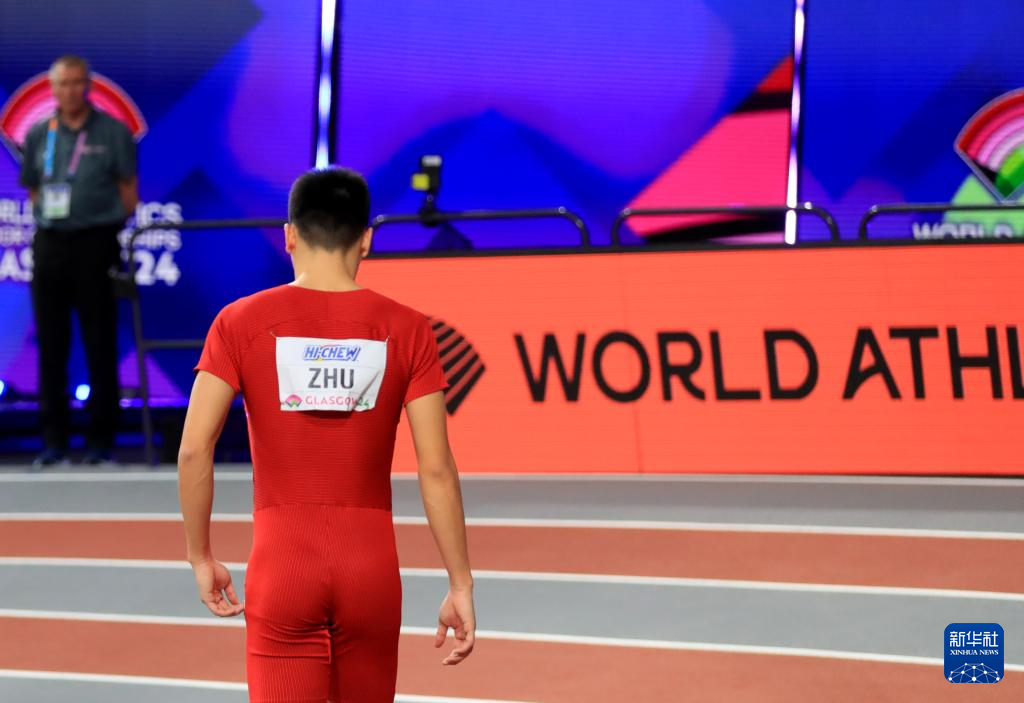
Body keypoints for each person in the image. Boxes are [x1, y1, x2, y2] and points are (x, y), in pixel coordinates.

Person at [177, 168, 476, 702]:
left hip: (282, 565)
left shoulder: (239, 322)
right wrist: (460, 583)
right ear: (366, 239)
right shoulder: (408, 329)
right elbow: (436, 468)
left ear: (289, 235)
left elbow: (195, 448)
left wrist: (201, 557)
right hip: (370, 569)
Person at [19, 55, 139, 466]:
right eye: (62, 83)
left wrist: (100, 226)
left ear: (88, 85)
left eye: (76, 82)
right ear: (52, 88)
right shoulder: (39, 132)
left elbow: (128, 192)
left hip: (96, 243)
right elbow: (34, 189)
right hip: (50, 244)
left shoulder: (113, 132)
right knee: (51, 345)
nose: (70, 90)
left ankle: (101, 442)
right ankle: (53, 442)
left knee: (99, 343)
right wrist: (58, 219)